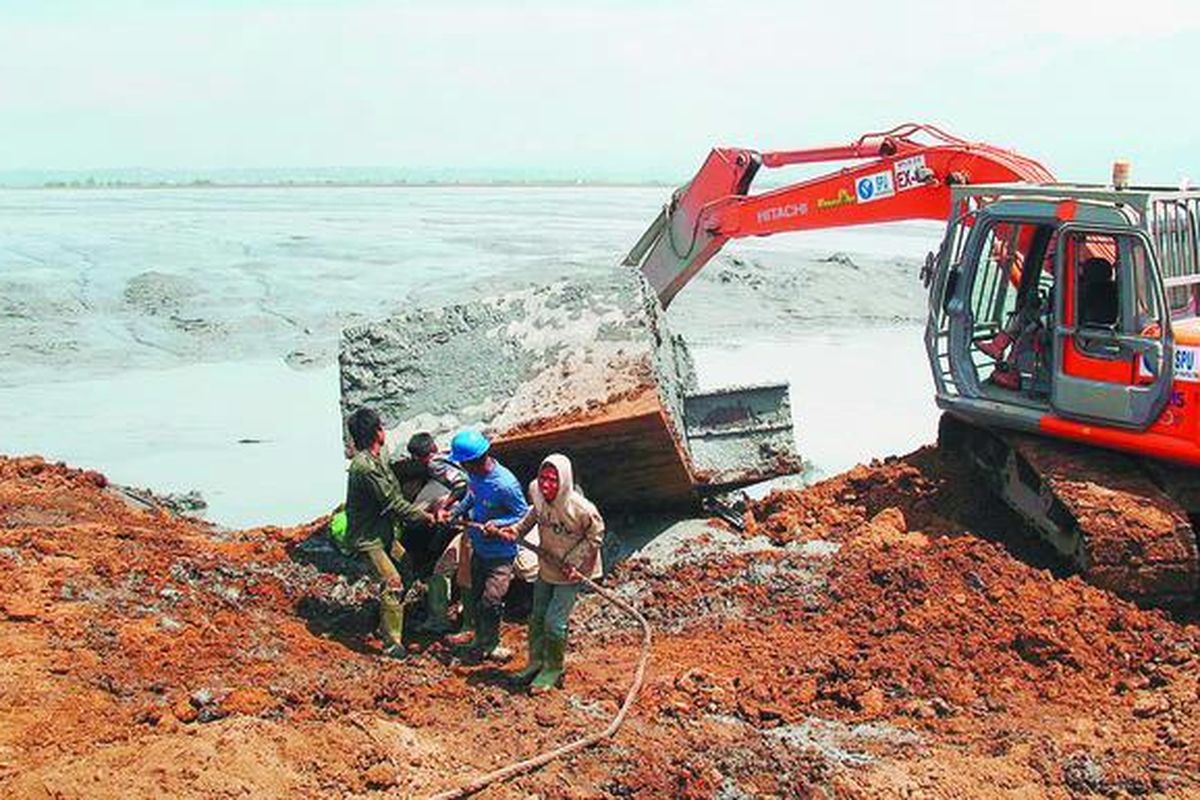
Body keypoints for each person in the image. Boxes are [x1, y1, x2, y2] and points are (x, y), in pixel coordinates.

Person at [500, 453, 604, 694]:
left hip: (572, 572)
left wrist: (574, 561)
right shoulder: (536, 491)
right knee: (536, 618)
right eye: (543, 477)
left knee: (554, 623)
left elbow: (596, 536)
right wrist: (516, 530)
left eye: (553, 480)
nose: (546, 485)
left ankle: (553, 668)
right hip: (547, 565)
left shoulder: (582, 509)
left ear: (565, 481)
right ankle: (536, 662)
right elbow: (533, 515)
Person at [343, 407, 435, 658]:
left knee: (407, 567)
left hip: (382, 533)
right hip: (368, 539)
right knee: (393, 581)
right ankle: (392, 644)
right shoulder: (365, 467)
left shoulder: (377, 458)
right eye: (381, 427)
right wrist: (426, 516)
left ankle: (388, 620)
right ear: (377, 433)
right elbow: (393, 503)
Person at [438, 429, 529, 662]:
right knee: (477, 598)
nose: (462, 468)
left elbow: (522, 514)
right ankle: (481, 639)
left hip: (501, 555)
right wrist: (454, 512)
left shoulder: (505, 484)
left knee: (491, 600)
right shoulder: (475, 477)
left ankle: (492, 643)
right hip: (479, 549)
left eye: (463, 463)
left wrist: (497, 523)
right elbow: (472, 497)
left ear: (473, 461)